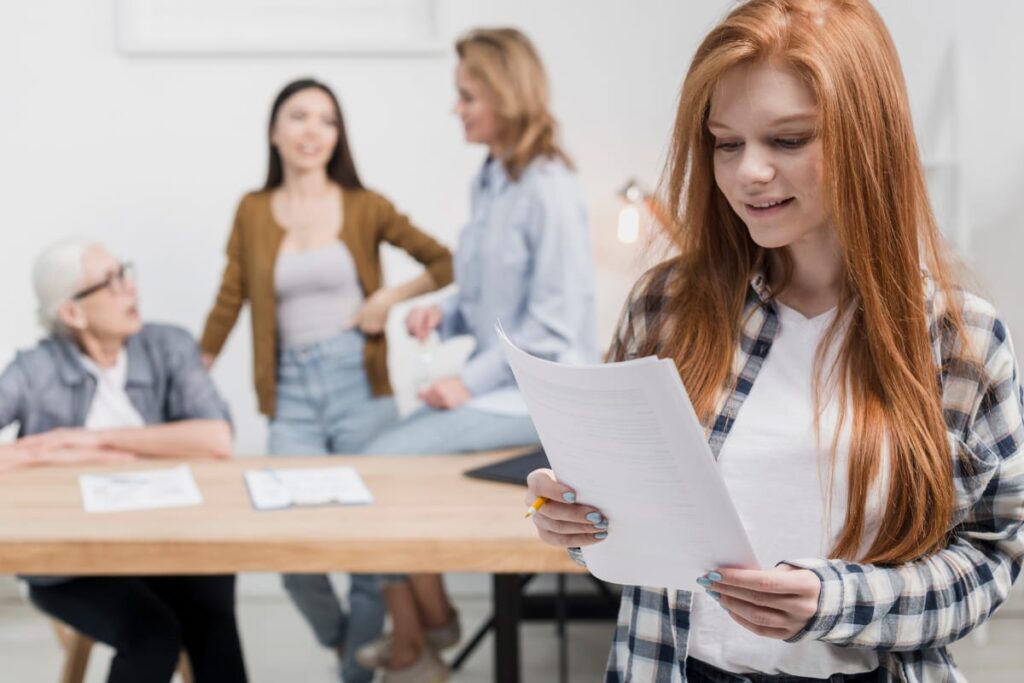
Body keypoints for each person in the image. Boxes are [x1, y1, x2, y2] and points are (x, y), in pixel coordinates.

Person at [525, 1, 1024, 681]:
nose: (747, 172)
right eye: (726, 143)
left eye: (787, 140)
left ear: (866, 138)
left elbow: (992, 557)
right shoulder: (666, 307)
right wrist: (580, 526)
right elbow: (629, 531)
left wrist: (836, 601)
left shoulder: (961, 342)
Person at [357, 28, 598, 682]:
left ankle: (424, 634)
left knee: (377, 461)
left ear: (504, 94)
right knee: (375, 457)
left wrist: (467, 381)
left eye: (467, 95)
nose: (456, 109)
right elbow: (495, 297)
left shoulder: (549, 186)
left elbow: (550, 327)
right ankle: (423, 632)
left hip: (542, 391)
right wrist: (451, 309)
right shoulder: (491, 180)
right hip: (501, 383)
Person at [198, 78, 453, 683]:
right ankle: (353, 648)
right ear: (274, 132)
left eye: (327, 120)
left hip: (359, 388)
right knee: (294, 555)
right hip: (290, 394)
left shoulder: (364, 205)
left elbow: (443, 260)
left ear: (338, 136)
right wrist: (195, 366)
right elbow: (231, 295)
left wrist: (388, 297)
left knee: (371, 551)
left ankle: (356, 672)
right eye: (299, 116)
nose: (313, 130)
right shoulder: (253, 210)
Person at [0, 239, 246, 683]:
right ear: (71, 313)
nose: (129, 289)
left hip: (170, 546)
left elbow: (216, 438)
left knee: (212, 612)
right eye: (109, 283)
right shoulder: (35, 370)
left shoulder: (168, 345)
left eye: (124, 274)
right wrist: (39, 452)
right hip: (74, 565)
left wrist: (84, 440)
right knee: (153, 637)